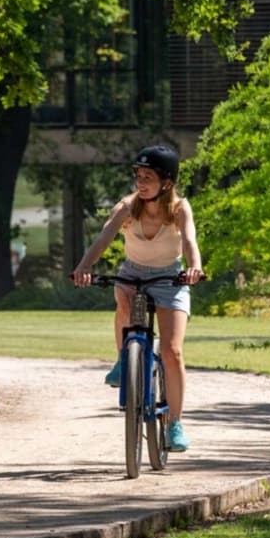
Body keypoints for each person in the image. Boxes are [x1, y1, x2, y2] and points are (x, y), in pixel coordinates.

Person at [68, 145, 205, 453]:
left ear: (166, 182)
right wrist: (83, 268)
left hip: (170, 279)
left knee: (172, 351)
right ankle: (124, 359)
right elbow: (103, 239)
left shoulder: (179, 208)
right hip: (133, 273)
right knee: (124, 299)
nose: (140, 183)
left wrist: (194, 267)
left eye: (148, 177)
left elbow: (189, 241)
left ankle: (176, 424)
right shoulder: (128, 207)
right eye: (138, 176)